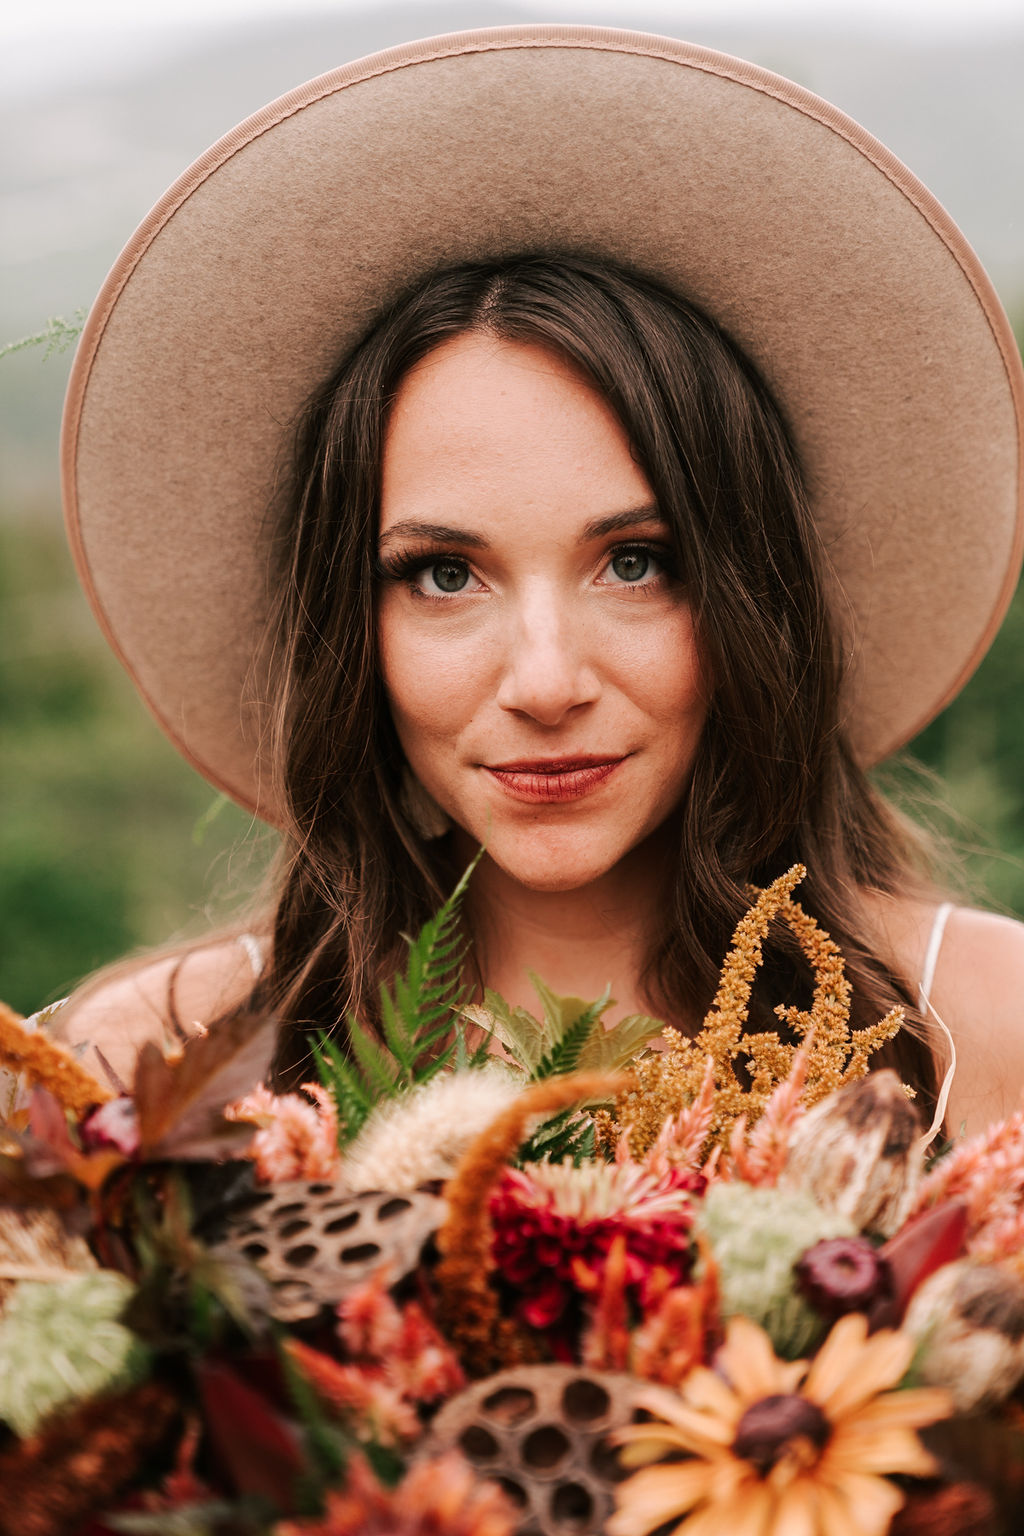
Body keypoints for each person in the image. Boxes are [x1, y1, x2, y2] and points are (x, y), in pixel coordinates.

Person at [47, 26, 1024, 1139]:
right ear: (347, 626)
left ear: (754, 597)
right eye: (444, 575)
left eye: (636, 562)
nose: (547, 681)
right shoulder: (157, 1062)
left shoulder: (983, 1033)